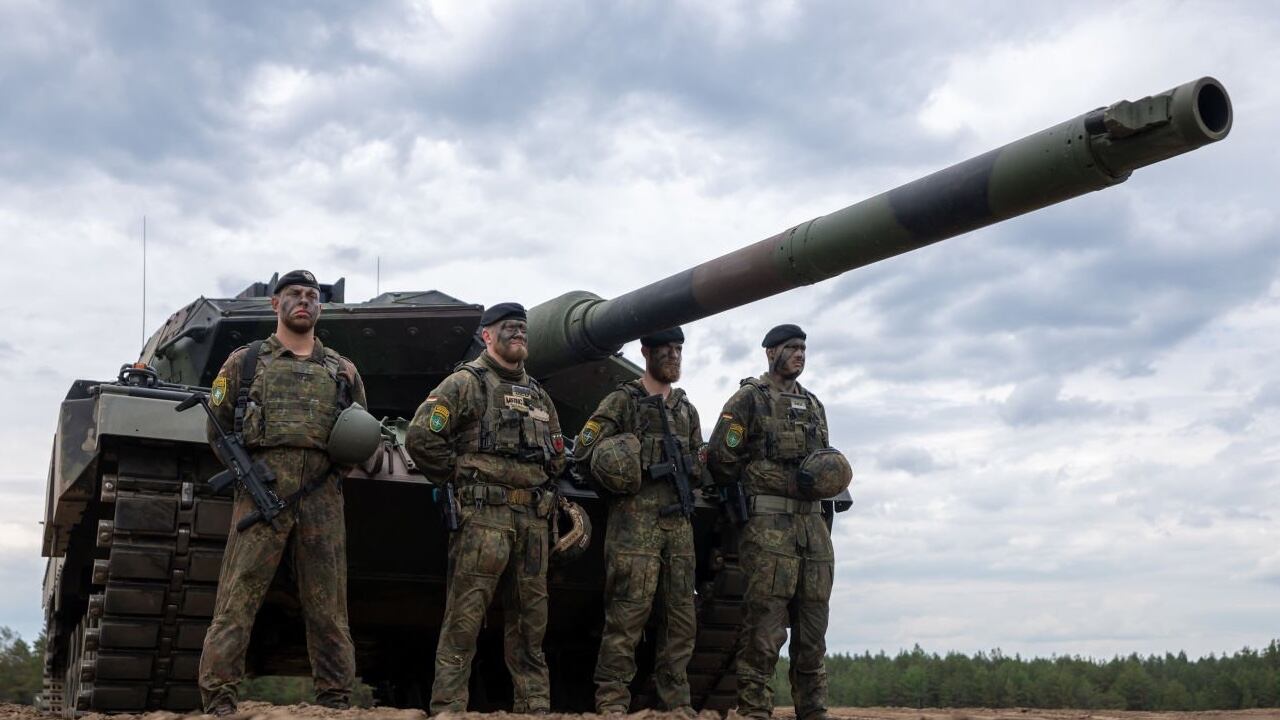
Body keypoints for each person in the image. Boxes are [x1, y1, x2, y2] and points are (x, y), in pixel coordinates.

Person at [198, 269, 366, 714]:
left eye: (312, 296)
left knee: (328, 604)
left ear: (320, 307)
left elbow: (358, 433)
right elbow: (217, 428)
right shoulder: (246, 362)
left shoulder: (342, 371)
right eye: (294, 294)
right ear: (276, 304)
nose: (304, 302)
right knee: (238, 596)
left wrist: (329, 475)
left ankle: (334, 699)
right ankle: (219, 699)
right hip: (261, 488)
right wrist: (247, 472)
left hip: (322, 494)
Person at [406, 302, 567, 714]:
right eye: (508, 328)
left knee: (531, 624)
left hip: (532, 522)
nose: (518, 335)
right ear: (487, 335)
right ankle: (449, 707)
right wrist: (459, 479)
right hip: (483, 518)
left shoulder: (539, 396)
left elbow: (556, 457)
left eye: (522, 329)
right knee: (464, 619)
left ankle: (534, 708)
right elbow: (422, 437)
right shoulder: (465, 384)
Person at [707, 324, 844, 720]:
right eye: (791, 348)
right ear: (770, 353)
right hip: (768, 527)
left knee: (813, 629)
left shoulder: (814, 405)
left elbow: (823, 464)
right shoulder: (749, 400)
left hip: (812, 527)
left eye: (803, 348)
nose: (799, 354)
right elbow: (721, 457)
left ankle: (813, 709)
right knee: (765, 630)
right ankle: (755, 710)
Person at [573, 327, 705, 716]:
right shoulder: (623, 401)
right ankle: (612, 700)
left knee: (681, 619)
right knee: (627, 617)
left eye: (679, 349)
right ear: (645, 351)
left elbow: (699, 461)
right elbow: (584, 450)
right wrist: (628, 462)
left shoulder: (686, 409)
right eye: (666, 349)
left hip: (678, 525)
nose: (674, 356)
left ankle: (675, 702)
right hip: (634, 523)